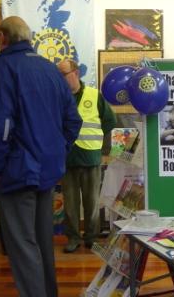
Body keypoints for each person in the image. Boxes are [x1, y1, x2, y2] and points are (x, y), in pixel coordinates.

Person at [0, 16, 82, 297]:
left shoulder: (2, 67)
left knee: (22, 245)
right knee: (41, 241)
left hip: (15, 170)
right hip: (46, 169)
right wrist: (57, 151)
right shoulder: (49, 69)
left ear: (2, 37)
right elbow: (73, 121)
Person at [57, 58, 117, 253]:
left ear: (76, 73)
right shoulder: (57, 97)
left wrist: (97, 139)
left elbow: (109, 121)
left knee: (92, 202)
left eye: (63, 74)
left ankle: (92, 237)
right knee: (70, 204)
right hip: (67, 157)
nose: (60, 78)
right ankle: (73, 238)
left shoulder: (94, 95)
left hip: (90, 157)